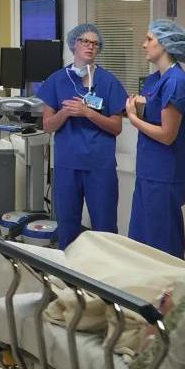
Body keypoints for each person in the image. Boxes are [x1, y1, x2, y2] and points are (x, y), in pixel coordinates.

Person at [37, 23, 128, 249]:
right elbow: (48, 125)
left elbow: (116, 127)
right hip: (68, 165)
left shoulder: (108, 82)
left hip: (100, 166)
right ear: (73, 45)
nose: (90, 46)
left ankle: (104, 278)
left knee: (105, 227)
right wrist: (66, 113)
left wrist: (87, 113)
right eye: (85, 41)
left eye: (95, 43)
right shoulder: (57, 80)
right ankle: (68, 275)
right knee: (67, 224)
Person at [126, 20, 185, 259]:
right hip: (148, 172)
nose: (143, 44)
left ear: (166, 44)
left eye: (149, 39)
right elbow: (155, 109)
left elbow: (167, 135)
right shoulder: (155, 79)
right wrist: (141, 107)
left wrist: (134, 119)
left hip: (166, 174)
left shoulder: (177, 82)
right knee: (141, 240)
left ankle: (169, 293)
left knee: (162, 243)